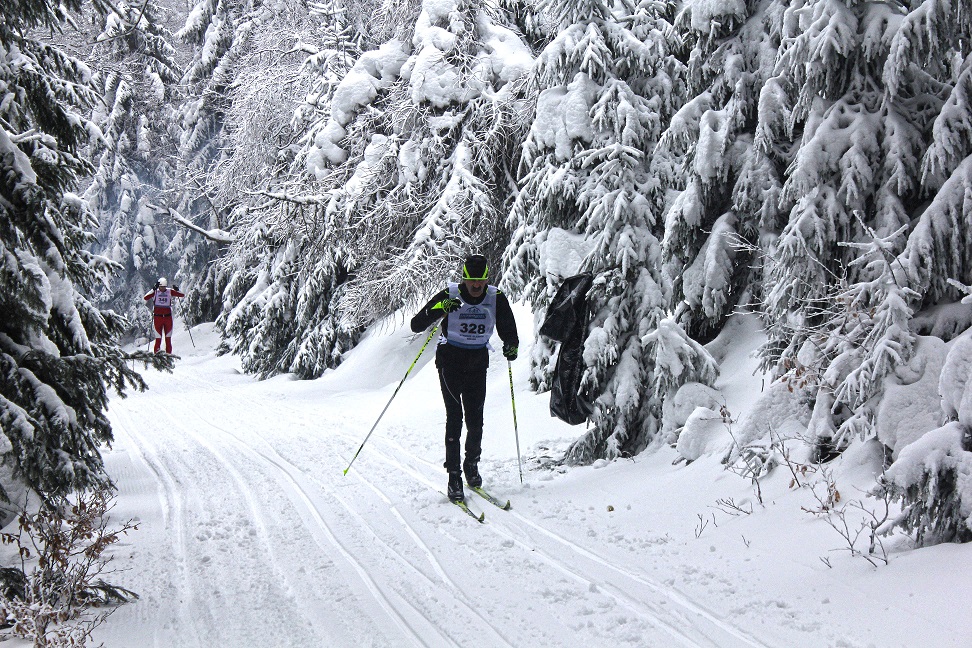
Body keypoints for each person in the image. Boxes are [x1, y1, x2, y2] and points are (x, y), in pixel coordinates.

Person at [410, 254, 519, 502]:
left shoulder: (495, 297)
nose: (477, 286)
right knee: (455, 416)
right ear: (465, 278)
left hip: (477, 361)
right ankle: (454, 476)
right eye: (472, 281)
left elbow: (508, 327)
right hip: (450, 360)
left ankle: (471, 464)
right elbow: (417, 324)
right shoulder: (450, 294)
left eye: (481, 280)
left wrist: (511, 345)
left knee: (475, 418)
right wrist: (439, 308)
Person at [144, 278, 185, 354]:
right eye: (161, 287)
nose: (162, 289)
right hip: (158, 318)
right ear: (158, 286)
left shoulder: (169, 291)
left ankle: (168, 358)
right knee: (158, 339)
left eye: (164, 287)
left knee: (168, 339)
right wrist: (153, 289)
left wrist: (177, 290)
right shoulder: (156, 292)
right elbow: (146, 297)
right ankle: (157, 359)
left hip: (167, 318)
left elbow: (182, 295)